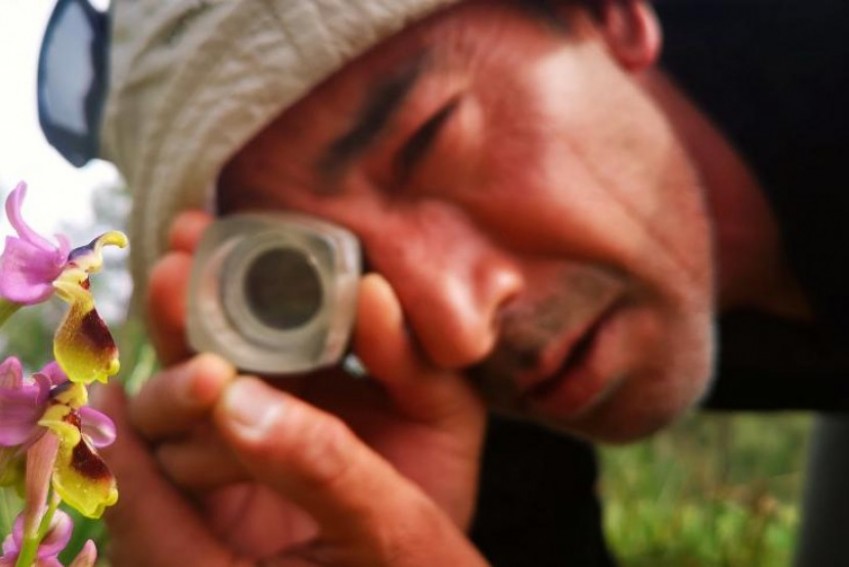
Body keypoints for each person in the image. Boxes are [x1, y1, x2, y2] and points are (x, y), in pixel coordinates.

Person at [42, 0, 849, 564]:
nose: (459, 326)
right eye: (323, 269)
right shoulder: (434, 391)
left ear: (609, 14)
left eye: (428, 136)